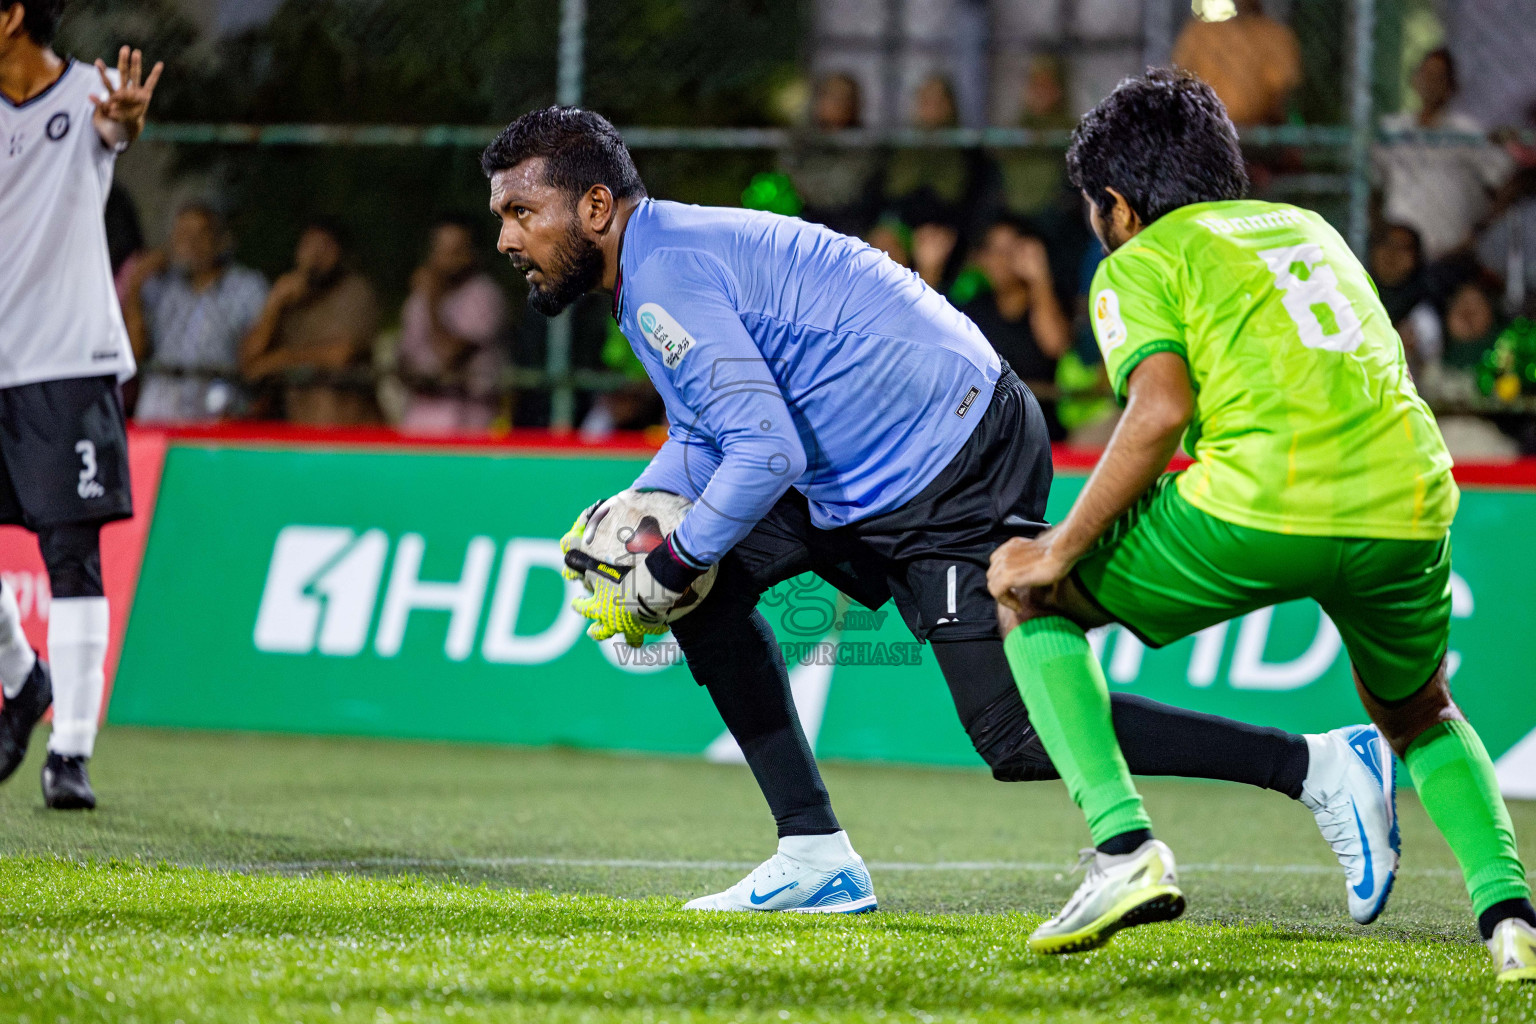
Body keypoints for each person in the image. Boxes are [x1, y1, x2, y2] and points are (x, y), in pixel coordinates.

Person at [483, 106, 1396, 921]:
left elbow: (763, 453)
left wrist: (670, 564)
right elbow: (704, 430)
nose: (507, 239)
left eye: (522, 214)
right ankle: (814, 856)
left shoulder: (663, 277)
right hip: (866, 461)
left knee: (1011, 733)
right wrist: (633, 526)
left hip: (952, 458)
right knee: (714, 596)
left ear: (595, 209)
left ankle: (1318, 766)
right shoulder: (658, 262)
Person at [985, 69, 1535, 981]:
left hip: (1261, 500)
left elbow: (1157, 414)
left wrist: (1057, 549)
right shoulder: (1311, 229)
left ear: (1118, 206)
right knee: (1420, 707)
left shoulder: (1141, 262)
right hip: (1411, 497)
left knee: (1032, 601)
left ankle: (1125, 850)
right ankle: (1511, 919)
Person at [0, 0, 163, 810]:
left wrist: (125, 124)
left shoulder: (90, 93)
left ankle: (70, 753)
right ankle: (22, 681)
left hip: (65, 362)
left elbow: (116, 130)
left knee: (70, 553)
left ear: (12, 16)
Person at [122, 203, 268, 423]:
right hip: (159, 410)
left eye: (200, 234)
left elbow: (256, 359)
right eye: (182, 234)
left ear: (220, 241)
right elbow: (133, 352)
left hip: (218, 408)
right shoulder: (160, 286)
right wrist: (134, 286)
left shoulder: (246, 286)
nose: (189, 243)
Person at [1376, 49, 1514, 262]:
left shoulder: (1465, 134)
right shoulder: (1393, 130)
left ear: (1451, 87)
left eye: (1439, 77)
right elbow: (1373, 185)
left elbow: (1505, 181)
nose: (1430, 82)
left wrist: (1478, 230)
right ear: (1415, 79)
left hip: (1447, 252)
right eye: (1426, 74)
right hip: (1398, 256)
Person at [241, 219, 381, 426]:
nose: (316, 255)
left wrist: (280, 359)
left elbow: (341, 355)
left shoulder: (355, 291)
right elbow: (250, 363)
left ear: (340, 252)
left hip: (350, 431)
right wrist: (274, 304)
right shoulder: (288, 298)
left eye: (325, 245)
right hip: (301, 430)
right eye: (308, 245)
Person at [960, 216, 1071, 437]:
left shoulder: (1047, 299)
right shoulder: (973, 310)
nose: (1001, 259)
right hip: (987, 431)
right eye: (993, 250)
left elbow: (1055, 346)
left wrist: (1039, 278)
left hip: (1041, 430)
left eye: (1011, 250)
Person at [397, 216, 507, 435]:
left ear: (473, 253)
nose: (445, 258)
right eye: (440, 249)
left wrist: (431, 299)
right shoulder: (419, 298)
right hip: (418, 422)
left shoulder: (484, 294)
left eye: (455, 250)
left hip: (468, 427)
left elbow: (447, 354)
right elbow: (402, 361)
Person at [778, 72, 884, 239]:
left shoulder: (864, 143)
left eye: (845, 98)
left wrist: (812, 186)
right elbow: (787, 176)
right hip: (804, 217)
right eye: (830, 96)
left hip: (851, 223)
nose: (837, 104)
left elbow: (845, 189)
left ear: (855, 104)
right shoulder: (802, 138)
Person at [1171, 0, 1300, 128]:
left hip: (1253, 133)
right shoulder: (1200, 34)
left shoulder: (1275, 37)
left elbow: (1279, 93)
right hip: (1207, 129)